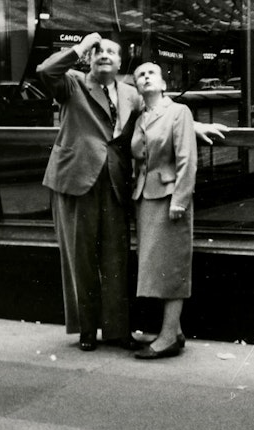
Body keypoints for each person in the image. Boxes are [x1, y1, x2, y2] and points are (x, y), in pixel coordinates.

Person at [38, 32, 223, 352]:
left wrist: (195, 126)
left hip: (115, 183)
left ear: (121, 62)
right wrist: (81, 46)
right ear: (90, 59)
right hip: (76, 179)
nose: (104, 55)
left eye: (111, 52)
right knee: (81, 258)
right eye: (98, 52)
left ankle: (116, 330)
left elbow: (159, 114)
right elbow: (46, 71)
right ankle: (86, 328)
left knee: (115, 259)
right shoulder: (73, 83)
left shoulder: (130, 94)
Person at [129, 62, 198, 360]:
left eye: (151, 73)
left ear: (163, 83)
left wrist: (180, 200)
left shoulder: (178, 112)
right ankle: (174, 330)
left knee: (172, 266)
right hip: (145, 198)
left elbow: (187, 159)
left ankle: (168, 336)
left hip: (170, 198)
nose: (145, 77)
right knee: (158, 266)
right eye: (140, 75)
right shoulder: (140, 117)